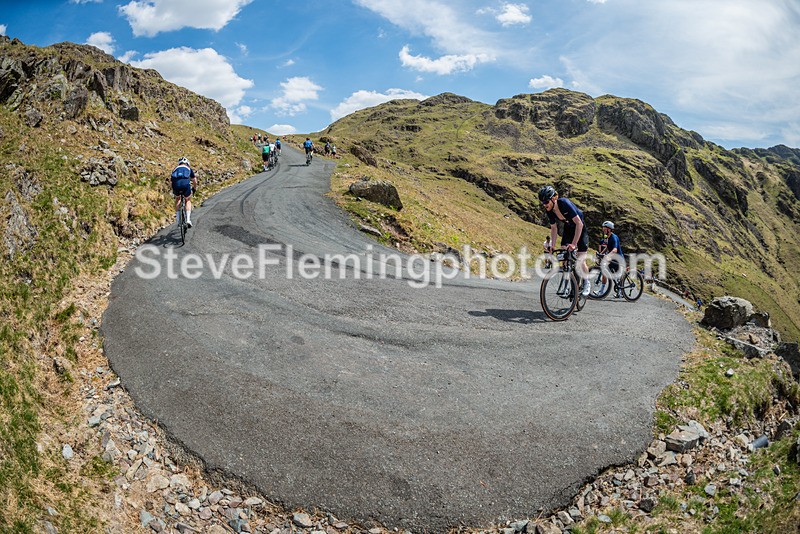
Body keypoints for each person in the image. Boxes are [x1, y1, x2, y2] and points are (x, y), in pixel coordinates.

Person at [539, 185, 590, 296]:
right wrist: (552, 245)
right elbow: (554, 228)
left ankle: (586, 282)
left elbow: (579, 224)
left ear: (553, 199)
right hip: (568, 228)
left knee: (581, 259)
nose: (545, 205)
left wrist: (574, 244)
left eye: (546, 202)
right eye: (542, 203)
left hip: (580, 228)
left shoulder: (564, 203)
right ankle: (566, 285)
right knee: (564, 255)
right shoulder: (549, 211)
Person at [169, 157, 197, 228]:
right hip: (185, 185)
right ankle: (188, 220)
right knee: (187, 200)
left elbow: (171, 181)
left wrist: (173, 190)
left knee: (178, 199)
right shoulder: (188, 168)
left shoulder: (175, 169)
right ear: (187, 163)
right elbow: (194, 180)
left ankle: (178, 221)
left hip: (176, 185)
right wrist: (194, 188)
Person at [599, 220, 624, 297]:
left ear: (609, 229)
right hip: (613, 258)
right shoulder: (607, 237)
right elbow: (607, 247)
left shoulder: (614, 237)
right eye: (603, 228)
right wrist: (601, 254)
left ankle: (620, 291)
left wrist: (607, 256)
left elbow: (614, 250)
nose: (603, 230)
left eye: (604, 228)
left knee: (618, 276)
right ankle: (602, 291)